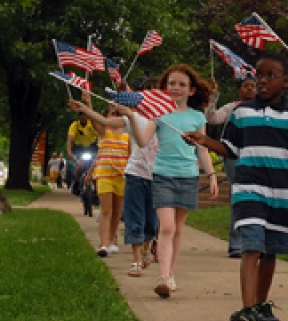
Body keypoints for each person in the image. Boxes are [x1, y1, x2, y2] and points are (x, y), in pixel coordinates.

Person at [184, 52, 288, 321]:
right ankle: (247, 309)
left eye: (270, 76)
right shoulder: (241, 113)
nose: (262, 81)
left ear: (286, 81)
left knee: (269, 251)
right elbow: (231, 149)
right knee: (251, 246)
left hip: (283, 194)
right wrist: (205, 141)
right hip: (249, 188)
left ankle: (260, 306)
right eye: (259, 76)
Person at [117, 64, 218, 298]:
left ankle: (170, 274)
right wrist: (131, 116)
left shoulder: (197, 117)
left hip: (188, 177)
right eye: (171, 83)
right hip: (162, 175)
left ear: (191, 90)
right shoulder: (158, 115)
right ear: (164, 87)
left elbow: (202, 150)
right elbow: (142, 141)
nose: (176, 88)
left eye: (181, 84)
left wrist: (211, 175)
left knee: (179, 229)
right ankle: (162, 277)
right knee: (167, 227)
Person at [69, 77, 159, 276]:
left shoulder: (162, 118)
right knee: (117, 213)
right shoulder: (127, 120)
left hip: (148, 174)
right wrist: (86, 106)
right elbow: (100, 121)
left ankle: (143, 248)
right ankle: (110, 246)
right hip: (123, 173)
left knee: (148, 221)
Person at [205, 75, 257, 258]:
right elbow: (212, 118)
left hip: (256, 159)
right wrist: (213, 97)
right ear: (240, 90)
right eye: (246, 86)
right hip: (234, 157)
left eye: (253, 86)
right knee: (239, 198)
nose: (249, 88)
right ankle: (236, 245)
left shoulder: (264, 109)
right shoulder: (232, 107)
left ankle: (252, 243)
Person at [82, 103, 130, 257]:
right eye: (111, 113)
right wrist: (88, 104)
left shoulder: (128, 134)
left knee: (117, 212)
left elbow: (130, 155)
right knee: (106, 210)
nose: (115, 116)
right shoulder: (104, 131)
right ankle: (103, 244)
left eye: (118, 114)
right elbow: (94, 120)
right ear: (106, 116)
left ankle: (111, 241)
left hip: (121, 176)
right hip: (104, 174)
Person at [66, 110, 98, 195]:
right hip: (79, 148)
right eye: (80, 115)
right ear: (78, 117)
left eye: (84, 115)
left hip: (91, 147)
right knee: (80, 165)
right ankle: (76, 182)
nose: (83, 117)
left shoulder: (92, 124)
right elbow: (70, 139)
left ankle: (96, 191)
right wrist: (69, 151)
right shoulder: (75, 125)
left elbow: (99, 134)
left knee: (96, 166)